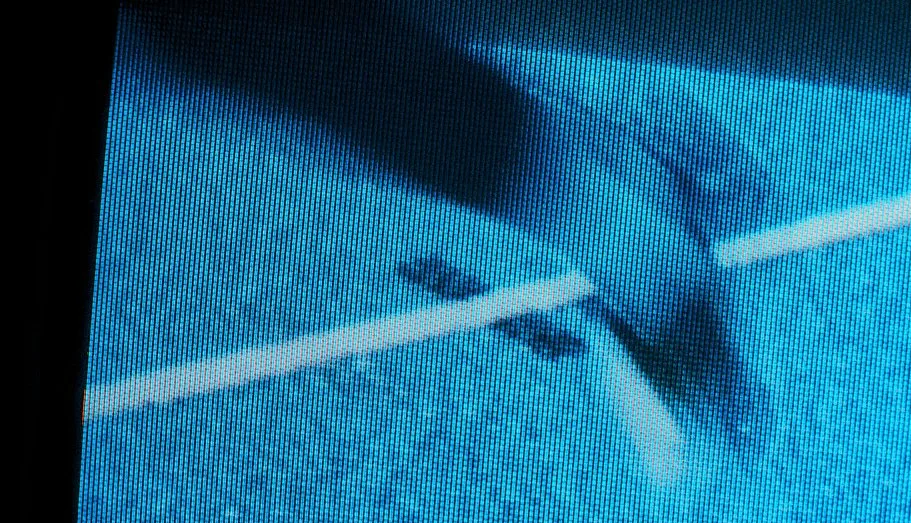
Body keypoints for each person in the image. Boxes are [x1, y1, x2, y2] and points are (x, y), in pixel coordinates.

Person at [128, 0, 771, 478]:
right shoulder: (664, 280)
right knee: (332, 79)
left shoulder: (663, 282)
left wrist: (443, 279)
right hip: (492, 149)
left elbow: (555, 322)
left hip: (495, 146)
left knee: (338, 80)